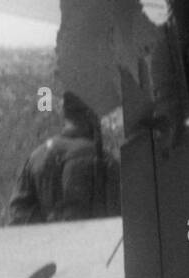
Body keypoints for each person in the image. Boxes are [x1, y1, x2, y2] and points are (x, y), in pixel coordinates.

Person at [8, 91, 120, 225]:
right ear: (91, 115)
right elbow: (119, 217)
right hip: (91, 243)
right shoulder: (104, 159)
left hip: (47, 243)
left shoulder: (36, 156)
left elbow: (18, 214)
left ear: (66, 115)